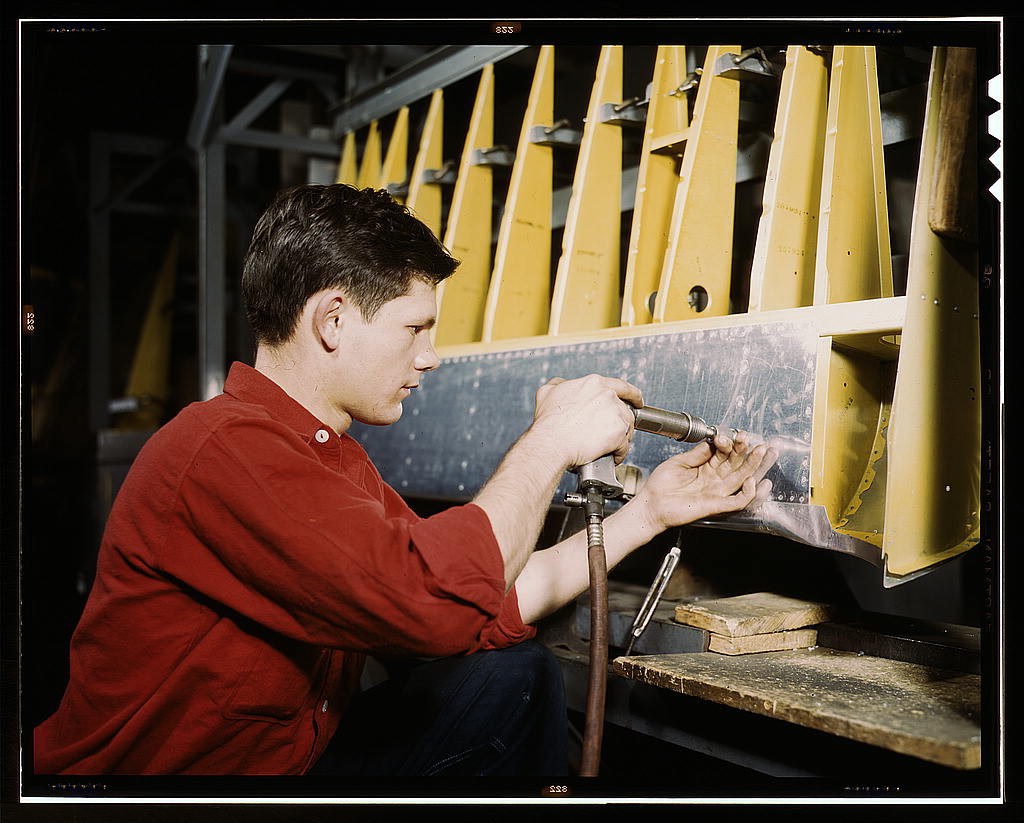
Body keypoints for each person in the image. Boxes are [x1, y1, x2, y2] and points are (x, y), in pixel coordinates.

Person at [34, 184, 776, 777]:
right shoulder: (222, 451)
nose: (429, 356)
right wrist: (549, 440)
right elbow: (432, 604)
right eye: (414, 328)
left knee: (511, 676)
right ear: (332, 320)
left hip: (283, 764)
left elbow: (476, 598)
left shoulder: (327, 458)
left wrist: (648, 512)